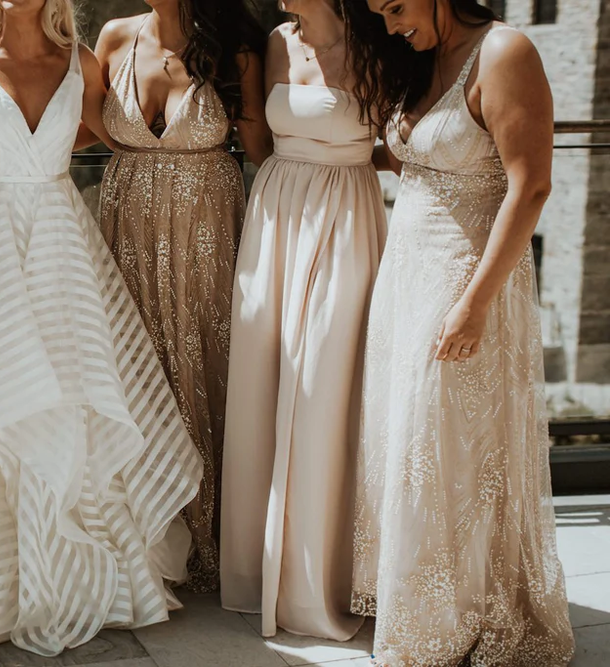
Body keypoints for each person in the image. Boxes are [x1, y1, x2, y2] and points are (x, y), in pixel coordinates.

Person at [0, 0, 204, 657]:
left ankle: (81, 577)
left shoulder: (81, 63)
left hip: (60, 250)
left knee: (68, 401)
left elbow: (122, 136)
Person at [342, 0, 575, 663]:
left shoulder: (504, 52)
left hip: (464, 279)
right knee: (411, 442)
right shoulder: (420, 58)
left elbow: (529, 187)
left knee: (447, 443)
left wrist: (475, 303)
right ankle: (422, 603)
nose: (389, 25)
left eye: (395, 6)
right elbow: (411, 158)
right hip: (406, 278)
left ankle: (460, 614)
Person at [220, 0, 385, 641]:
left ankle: (320, 581)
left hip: (345, 213)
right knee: (263, 381)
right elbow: (257, 136)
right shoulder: (277, 41)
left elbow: (396, 140)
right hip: (276, 214)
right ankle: (253, 570)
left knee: (323, 387)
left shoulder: (375, 42)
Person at [92, 0, 271, 592]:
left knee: (207, 366)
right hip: (125, 234)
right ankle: (142, 528)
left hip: (208, 231)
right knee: (131, 369)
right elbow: (79, 122)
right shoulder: (114, 37)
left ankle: (215, 528)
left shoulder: (234, 48)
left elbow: (262, 150)